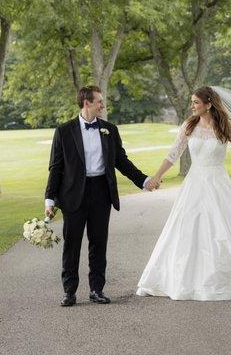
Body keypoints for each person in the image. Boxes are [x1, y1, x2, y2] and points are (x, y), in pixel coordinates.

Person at [136, 86, 231, 301]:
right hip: (194, 183)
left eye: (195, 102)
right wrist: (156, 176)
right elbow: (173, 154)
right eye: (192, 102)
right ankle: (178, 280)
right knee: (185, 230)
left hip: (218, 183)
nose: (192, 106)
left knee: (226, 229)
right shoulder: (189, 125)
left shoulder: (225, 126)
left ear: (208, 104)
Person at [45, 86, 159, 307]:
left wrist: (144, 180)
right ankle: (69, 292)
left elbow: (121, 161)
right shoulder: (64, 131)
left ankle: (97, 290)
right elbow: (55, 168)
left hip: (101, 193)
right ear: (86, 103)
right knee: (72, 245)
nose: (102, 105)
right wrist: (50, 200)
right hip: (73, 196)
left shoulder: (109, 130)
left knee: (99, 243)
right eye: (98, 101)